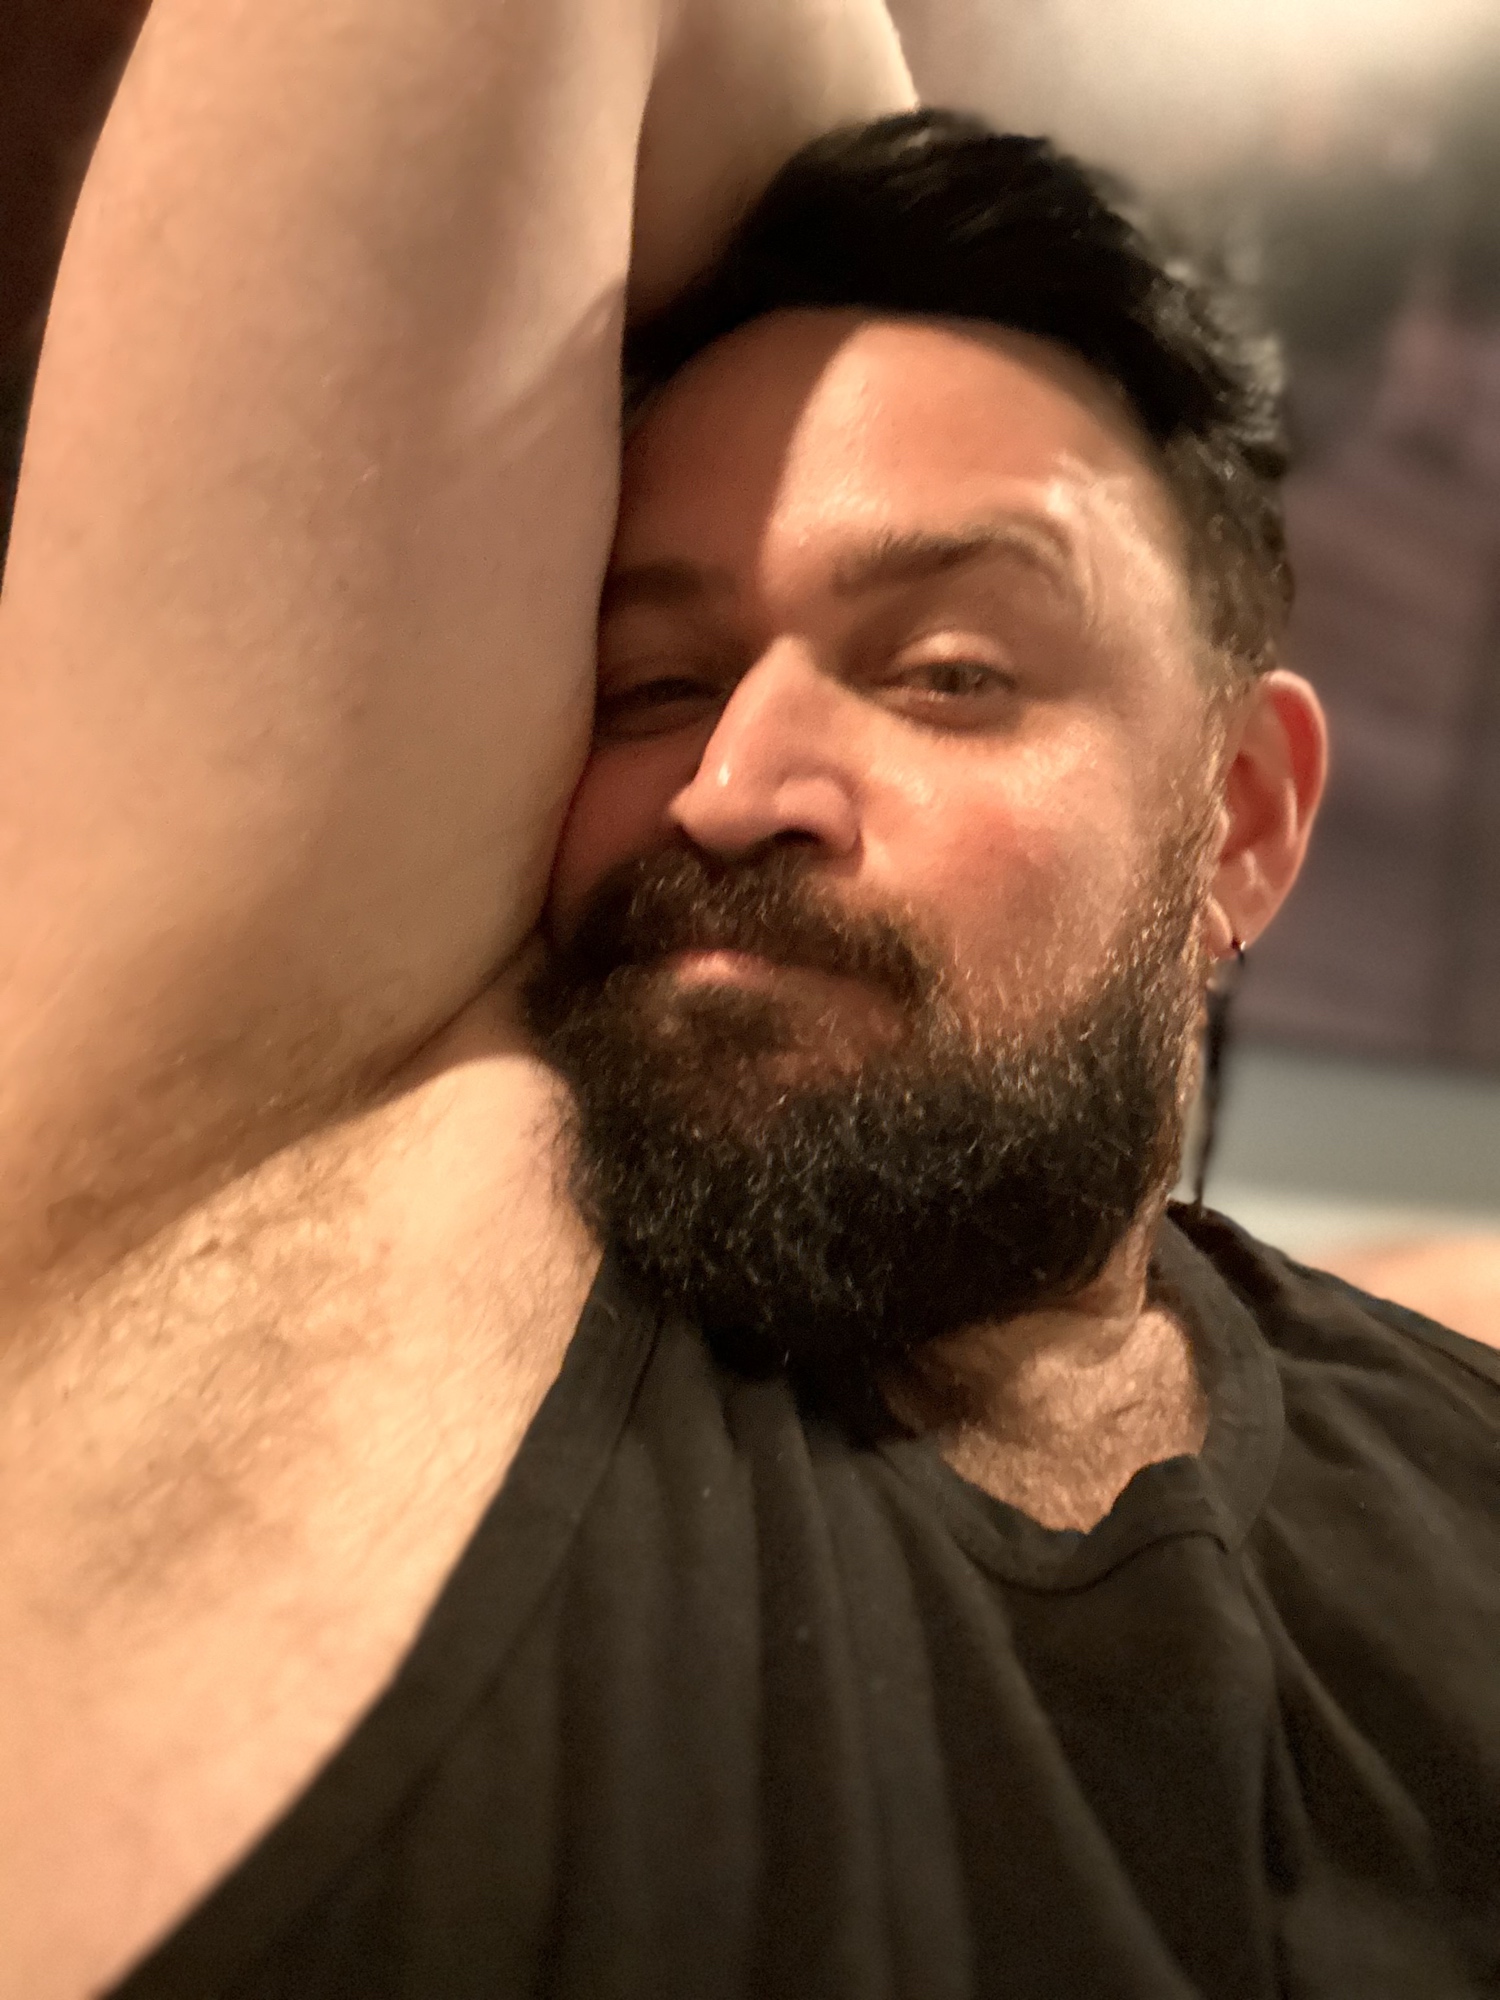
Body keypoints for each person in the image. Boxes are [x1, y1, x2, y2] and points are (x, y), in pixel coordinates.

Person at [0, 3, 1496, 1996]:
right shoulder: (291, 1215)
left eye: (950, 672)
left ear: (1238, 818)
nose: (731, 787)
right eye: (650, 685)